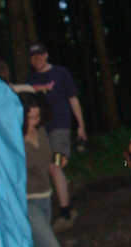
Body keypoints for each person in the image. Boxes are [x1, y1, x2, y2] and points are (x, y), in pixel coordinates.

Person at [26, 42, 87, 233]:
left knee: (55, 165)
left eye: (40, 55)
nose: (37, 59)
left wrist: (81, 126)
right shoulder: (30, 79)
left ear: (46, 55)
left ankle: (66, 212)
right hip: (41, 131)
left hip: (60, 128)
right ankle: (66, 204)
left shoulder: (61, 73)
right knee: (50, 168)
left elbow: (73, 99)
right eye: (33, 56)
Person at [19, 92, 72, 247]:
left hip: (45, 198)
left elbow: (48, 158)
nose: (34, 121)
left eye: (37, 116)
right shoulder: (15, 139)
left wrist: (59, 159)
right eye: (30, 118)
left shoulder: (40, 131)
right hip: (28, 202)